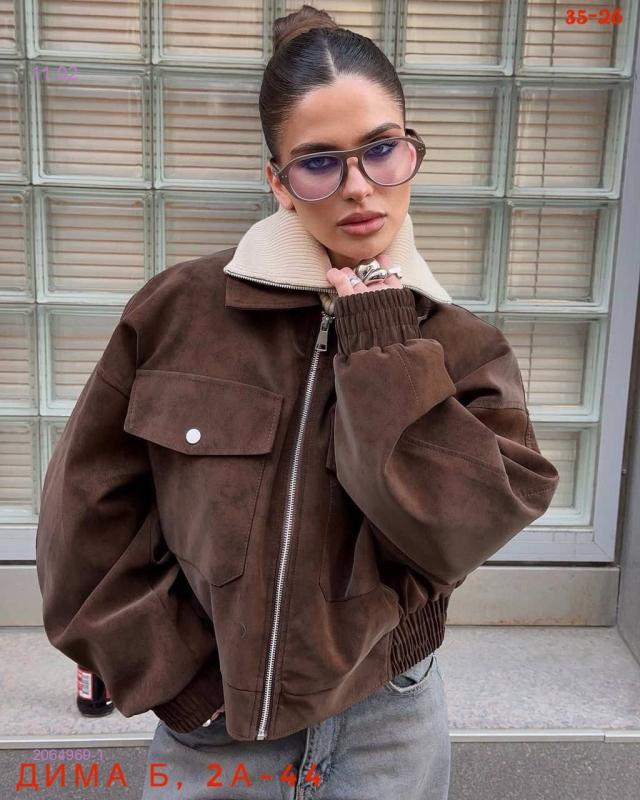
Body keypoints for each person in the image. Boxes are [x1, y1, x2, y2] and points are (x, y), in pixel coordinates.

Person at [35, 5, 560, 799]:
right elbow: (85, 518)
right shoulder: (180, 314)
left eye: (382, 149)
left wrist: (383, 347)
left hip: (389, 723)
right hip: (216, 731)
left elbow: (455, 529)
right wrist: (176, 680)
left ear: (412, 152)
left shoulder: (458, 343)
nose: (359, 187)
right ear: (277, 180)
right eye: (319, 163)